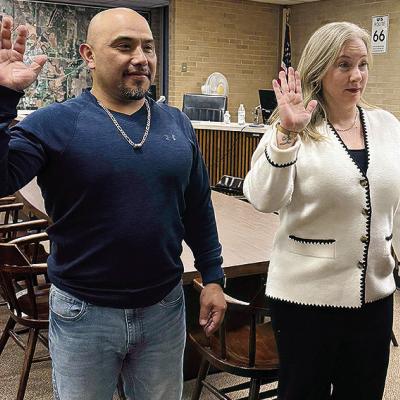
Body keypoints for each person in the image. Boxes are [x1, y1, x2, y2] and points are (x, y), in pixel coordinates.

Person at [0, 8, 226, 400]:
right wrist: (3, 98)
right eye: (124, 46)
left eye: (148, 47)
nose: (141, 57)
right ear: (88, 56)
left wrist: (212, 277)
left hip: (164, 308)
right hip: (83, 314)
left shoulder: (177, 124)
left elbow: (197, 207)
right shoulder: (54, 123)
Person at [244, 21, 400, 400]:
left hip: (374, 299)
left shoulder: (386, 126)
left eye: (362, 65)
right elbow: (262, 197)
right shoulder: (293, 127)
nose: (356, 76)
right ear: (319, 67)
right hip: (305, 300)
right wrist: (286, 136)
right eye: (343, 65)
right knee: (304, 393)